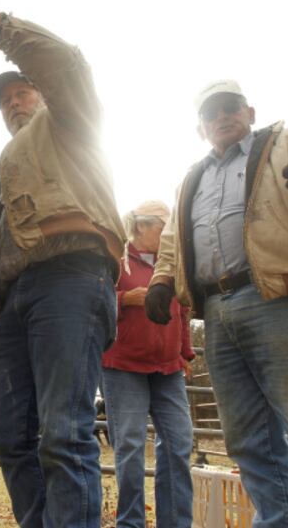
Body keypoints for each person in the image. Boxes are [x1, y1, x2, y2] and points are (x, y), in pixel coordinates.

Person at [145, 79, 288, 527]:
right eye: (212, 113)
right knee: (250, 443)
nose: (222, 117)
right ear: (201, 128)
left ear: (250, 113)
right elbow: (174, 239)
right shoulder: (191, 177)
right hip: (217, 314)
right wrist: (161, 280)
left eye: (231, 107)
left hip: (281, 302)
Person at [0, 0, 125, 527]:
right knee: (3, 428)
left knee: (65, 430)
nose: (12, 103)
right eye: (5, 101)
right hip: (17, 297)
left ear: (42, 90)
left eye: (20, 91)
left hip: (73, 277)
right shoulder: (6, 163)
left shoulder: (71, 119)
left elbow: (67, 64)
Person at [101, 200, 194, 528]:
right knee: (130, 445)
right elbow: (95, 298)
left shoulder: (172, 264)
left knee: (179, 443)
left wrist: (185, 353)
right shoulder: (115, 258)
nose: (170, 234)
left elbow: (182, 309)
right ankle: (130, 522)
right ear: (141, 225)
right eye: (163, 226)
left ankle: (176, 523)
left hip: (168, 368)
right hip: (123, 365)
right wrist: (124, 299)